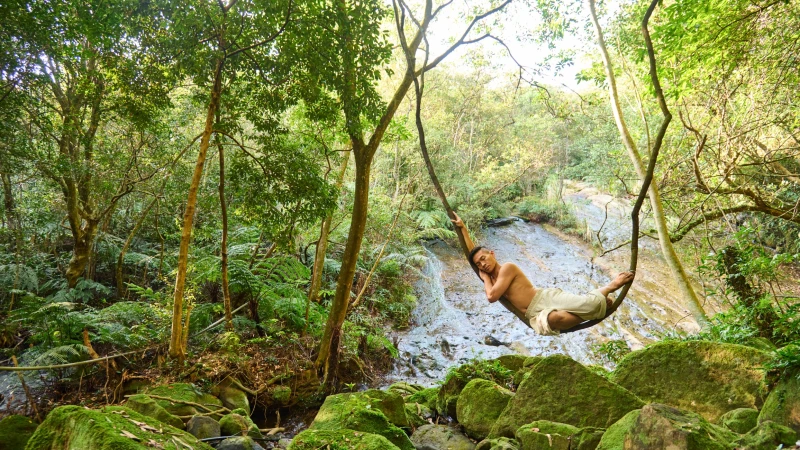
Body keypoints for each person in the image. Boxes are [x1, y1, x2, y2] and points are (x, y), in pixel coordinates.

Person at [451, 213, 634, 335]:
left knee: (586, 304)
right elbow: (473, 255)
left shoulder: (506, 268)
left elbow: (491, 296)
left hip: (543, 298)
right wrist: (463, 229)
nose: (482, 265)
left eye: (484, 259)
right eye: (479, 265)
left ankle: (610, 287)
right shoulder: (490, 278)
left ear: (492, 254)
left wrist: (484, 277)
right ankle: (598, 306)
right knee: (557, 319)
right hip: (533, 315)